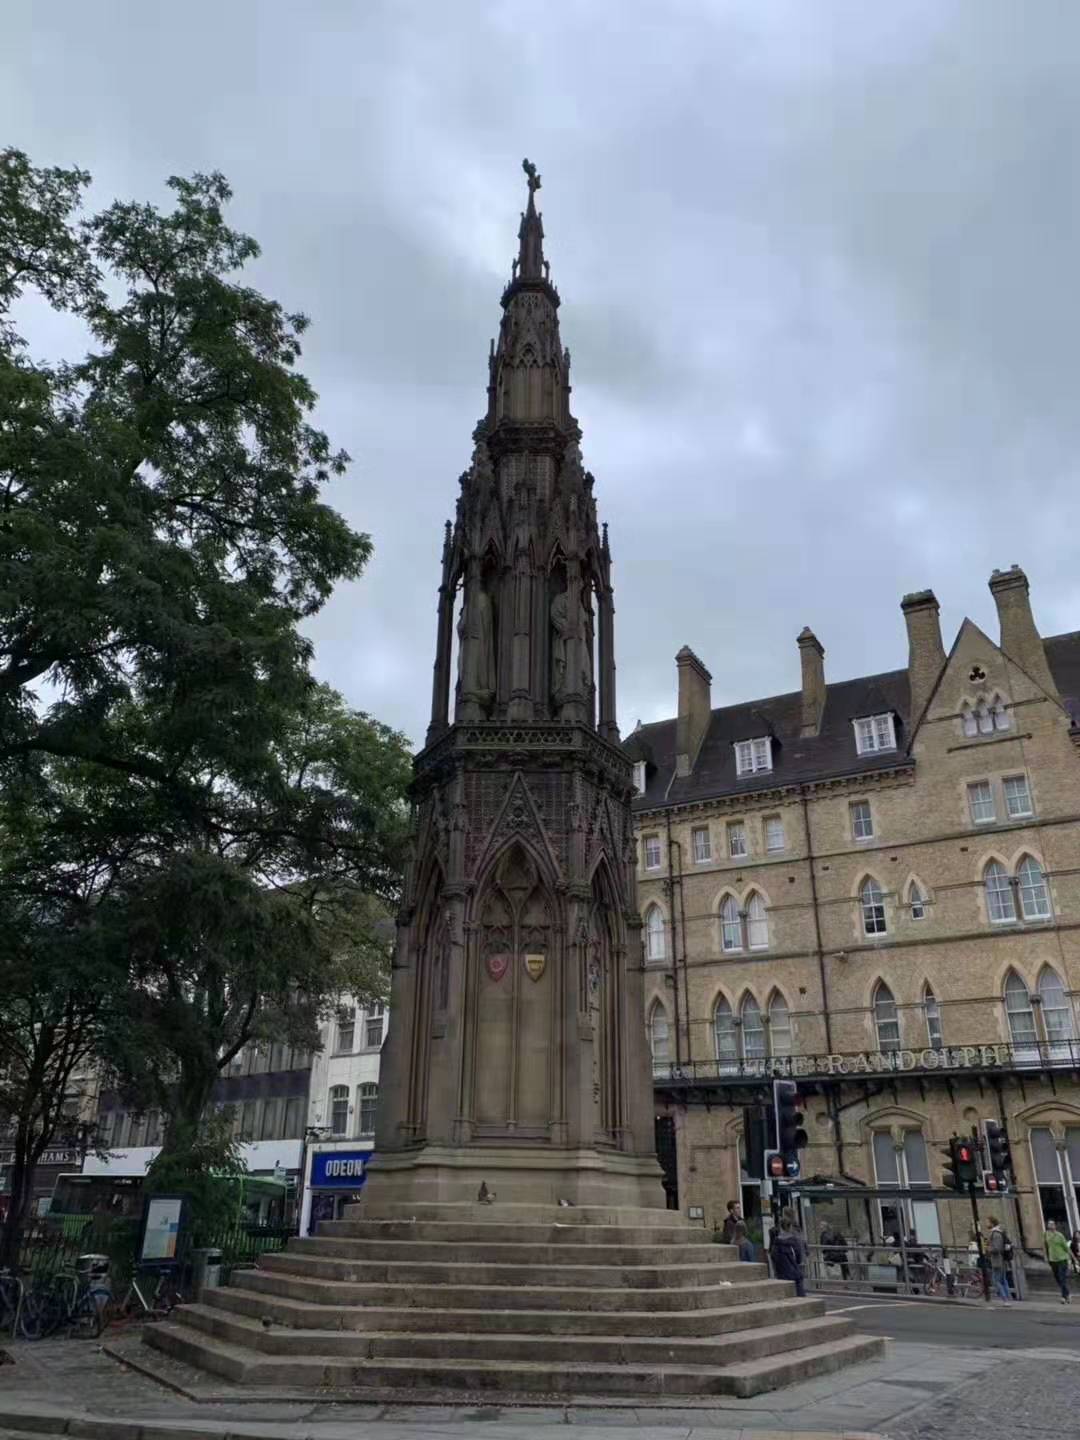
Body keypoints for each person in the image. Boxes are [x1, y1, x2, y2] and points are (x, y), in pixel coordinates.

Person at [770, 1208, 807, 1298]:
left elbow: (773, 1257)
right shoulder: (794, 1237)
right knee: (799, 1293)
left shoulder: (776, 1241)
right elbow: (798, 1255)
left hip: (782, 1273)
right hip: (793, 1271)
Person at [1045, 1219, 1072, 1304]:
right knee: (1057, 1278)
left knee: (1061, 1277)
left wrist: (1073, 1258)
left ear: (1055, 1226)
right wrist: (1046, 1256)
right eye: (1049, 1224)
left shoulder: (1060, 1235)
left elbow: (1066, 1248)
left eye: (1052, 1224)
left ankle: (1063, 1297)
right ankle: (1067, 1293)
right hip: (1052, 1260)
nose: (1050, 1225)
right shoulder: (1046, 1234)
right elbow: (1045, 1246)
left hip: (1062, 1259)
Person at [987, 1217, 1011, 1302]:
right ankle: (1008, 1299)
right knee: (1003, 1280)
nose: (986, 1224)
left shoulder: (996, 1234)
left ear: (992, 1223)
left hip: (998, 1260)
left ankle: (1005, 1299)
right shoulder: (998, 1232)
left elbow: (997, 1248)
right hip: (1001, 1260)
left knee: (996, 1280)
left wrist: (988, 1249)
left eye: (988, 1222)